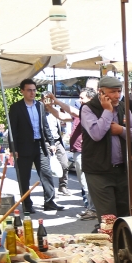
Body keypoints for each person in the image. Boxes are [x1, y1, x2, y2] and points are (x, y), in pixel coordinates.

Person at [80, 76, 132, 220]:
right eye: (113, 92)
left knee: (125, 215)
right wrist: (107, 111)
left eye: (119, 91)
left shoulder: (122, 106)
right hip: (98, 171)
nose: (117, 95)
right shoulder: (88, 109)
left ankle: (121, 242)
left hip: (121, 169)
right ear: (101, 92)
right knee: (108, 217)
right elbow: (97, 134)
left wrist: (121, 130)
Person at [9, 79, 63, 213]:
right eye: (29, 90)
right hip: (23, 147)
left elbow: (45, 126)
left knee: (46, 173)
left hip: (40, 145)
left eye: (34, 90)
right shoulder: (16, 107)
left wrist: (51, 142)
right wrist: (13, 149)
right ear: (22, 91)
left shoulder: (39, 105)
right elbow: (12, 130)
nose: (32, 93)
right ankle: (27, 204)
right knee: (24, 177)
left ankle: (49, 201)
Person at [44, 89, 98, 220]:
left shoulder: (89, 111)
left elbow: (72, 111)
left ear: (90, 99)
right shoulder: (83, 111)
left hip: (84, 152)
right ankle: (91, 208)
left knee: (87, 182)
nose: (79, 100)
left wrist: (56, 101)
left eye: (82, 98)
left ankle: (93, 209)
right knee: (84, 182)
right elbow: (62, 116)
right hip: (78, 151)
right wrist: (50, 107)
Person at [45, 110, 70, 196]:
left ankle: (63, 186)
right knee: (48, 168)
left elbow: (61, 126)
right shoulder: (40, 111)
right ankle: (50, 191)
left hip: (57, 141)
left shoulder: (55, 112)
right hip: (46, 142)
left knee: (65, 165)